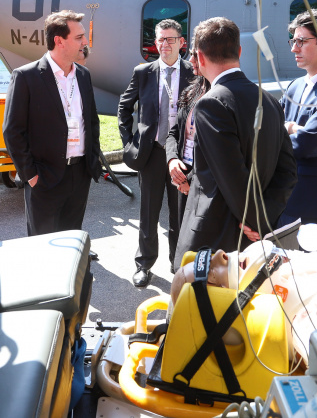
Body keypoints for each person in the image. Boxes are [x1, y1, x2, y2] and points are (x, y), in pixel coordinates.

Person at [172, 17, 297, 271]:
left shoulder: (210, 103)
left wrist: (252, 223)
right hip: (254, 237)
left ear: (200, 56)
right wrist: (262, 222)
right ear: (238, 52)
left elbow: (232, 179)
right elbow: (288, 171)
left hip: (216, 239)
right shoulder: (270, 101)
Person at [3, 10, 102, 236]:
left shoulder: (83, 75)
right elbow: (13, 131)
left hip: (79, 175)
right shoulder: (26, 77)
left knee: (71, 242)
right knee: (43, 247)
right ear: (59, 41)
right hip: (44, 177)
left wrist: (91, 162)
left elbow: (92, 122)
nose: (85, 42)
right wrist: (31, 176)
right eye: (78, 37)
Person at [118, 19, 194, 287]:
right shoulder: (144, 72)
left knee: (179, 214)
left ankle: (178, 265)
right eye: (160, 39)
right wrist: (130, 143)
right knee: (148, 214)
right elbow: (124, 107)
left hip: (182, 157)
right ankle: (144, 264)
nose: (164, 44)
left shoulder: (193, 72)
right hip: (151, 153)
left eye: (170, 39)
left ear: (181, 43)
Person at [277, 10, 317, 232]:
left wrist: (287, 134)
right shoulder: (295, 85)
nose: (294, 48)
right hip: (282, 197)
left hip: (311, 201)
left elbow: (306, 144)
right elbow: (267, 129)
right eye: (294, 41)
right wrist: (292, 129)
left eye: (302, 41)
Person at [165, 47, 209, 238]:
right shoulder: (191, 91)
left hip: (202, 183)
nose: (190, 59)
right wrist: (172, 159)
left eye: (194, 54)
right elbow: (174, 132)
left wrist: (189, 179)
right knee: (179, 230)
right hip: (183, 174)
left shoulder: (219, 95)